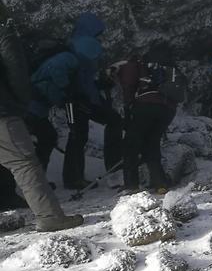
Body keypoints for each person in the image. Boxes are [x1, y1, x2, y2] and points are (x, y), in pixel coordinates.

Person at [0, 0, 83, 231]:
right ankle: (50, 217)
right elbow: (15, 68)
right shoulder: (4, 33)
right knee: (24, 162)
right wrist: (20, 103)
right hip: (2, 112)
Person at [61, 12, 123, 189]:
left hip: (77, 97)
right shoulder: (84, 44)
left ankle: (73, 177)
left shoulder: (73, 43)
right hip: (80, 98)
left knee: (78, 135)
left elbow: (82, 78)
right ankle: (113, 165)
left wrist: (97, 87)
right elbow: (83, 78)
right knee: (80, 134)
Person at [116, 40, 182, 193]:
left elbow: (128, 85)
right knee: (152, 143)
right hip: (167, 109)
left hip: (145, 106)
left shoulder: (137, 63)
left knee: (131, 144)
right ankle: (160, 183)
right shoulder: (170, 65)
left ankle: (131, 185)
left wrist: (128, 106)